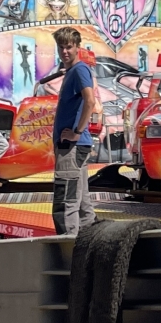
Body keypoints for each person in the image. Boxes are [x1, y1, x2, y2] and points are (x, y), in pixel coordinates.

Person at [50, 27, 99, 236]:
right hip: (75, 145)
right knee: (81, 202)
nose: (64, 51)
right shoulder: (73, 71)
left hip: (72, 146)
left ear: (77, 47)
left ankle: (66, 249)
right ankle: (90, 241)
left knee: (65, 201)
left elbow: (90, 100)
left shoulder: (79, 70)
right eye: (61, 47)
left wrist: (77, 132)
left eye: (69, 47)